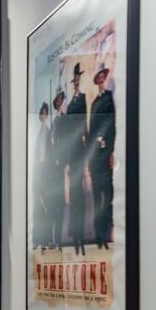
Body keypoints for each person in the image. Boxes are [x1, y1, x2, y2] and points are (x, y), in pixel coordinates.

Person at [57, 67, 89, 254]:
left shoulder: (82, 99)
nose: (76, 82)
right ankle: (75, 234)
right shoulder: (68, 106)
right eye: (74, 79)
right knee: (74, 195)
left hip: (81, 151)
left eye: (78, 79)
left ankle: (80, 236)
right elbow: (68, 132)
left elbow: (83, 124)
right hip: (72, 152)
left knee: (81, 196)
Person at [87, 65, 116, 250]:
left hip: (105, 155)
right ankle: (98, 236)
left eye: (103, 77)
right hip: (95, 157)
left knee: (107, 196)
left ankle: (105, 234)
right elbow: (91, 129)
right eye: (98, 78)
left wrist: (109, 146)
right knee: (97, 198)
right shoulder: (94, 102)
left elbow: (112, 124)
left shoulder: (108, 98)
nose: (101, 80)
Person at [33, 102, 60, 249]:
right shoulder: (37, 134)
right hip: (39, 171)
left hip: (48, 172)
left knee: (48, 206)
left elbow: (53, 154)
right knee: (40, 205)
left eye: (44, 113)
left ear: (47, 115)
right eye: (41, 113)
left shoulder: (50, 134)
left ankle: (48, 239)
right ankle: (40, 239)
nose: (42, 116)